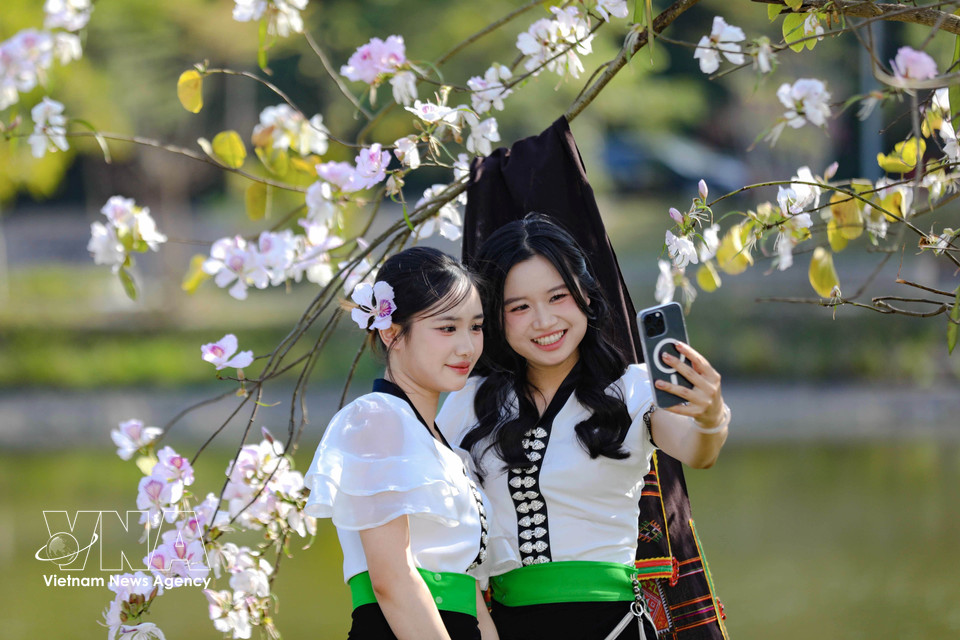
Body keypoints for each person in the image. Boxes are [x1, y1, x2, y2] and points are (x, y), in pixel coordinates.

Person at [437, 215, 730, 640]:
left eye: (558, 297)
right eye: (519, 307)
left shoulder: (634, 388)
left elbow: (699, 452)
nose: (543, 321)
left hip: (613, 626)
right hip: (502, 627)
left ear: (587, 296)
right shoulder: (470, 401)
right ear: (496, 318)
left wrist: (711, 416)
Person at [304, 246, 499, 640]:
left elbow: (469, 589)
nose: (466, 347)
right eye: (447, 328)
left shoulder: (443, 444)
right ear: (391, 331)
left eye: (475, 327)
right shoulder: (377, 420)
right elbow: (392, 581)